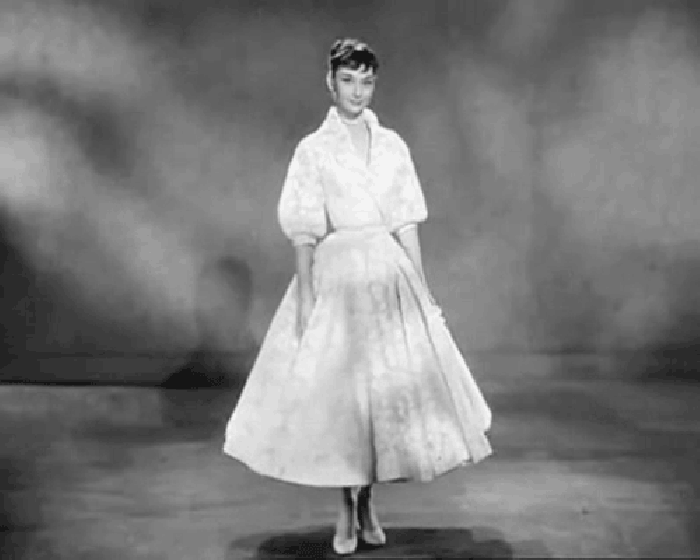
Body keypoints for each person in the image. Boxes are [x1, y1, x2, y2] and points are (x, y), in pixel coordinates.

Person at [223, 37, 492, 556]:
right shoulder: (314, 149)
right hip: (339, 276)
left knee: (382, 396)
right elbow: (304, 230)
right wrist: (306, 296)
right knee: (344, 398)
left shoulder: (392, 146)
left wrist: (422, 291)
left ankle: (367, 500)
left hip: (387, 273)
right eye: (348, 80)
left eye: (366, 81)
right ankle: (346, 506)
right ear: (331, 82)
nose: (357, 91)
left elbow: (407, 222)